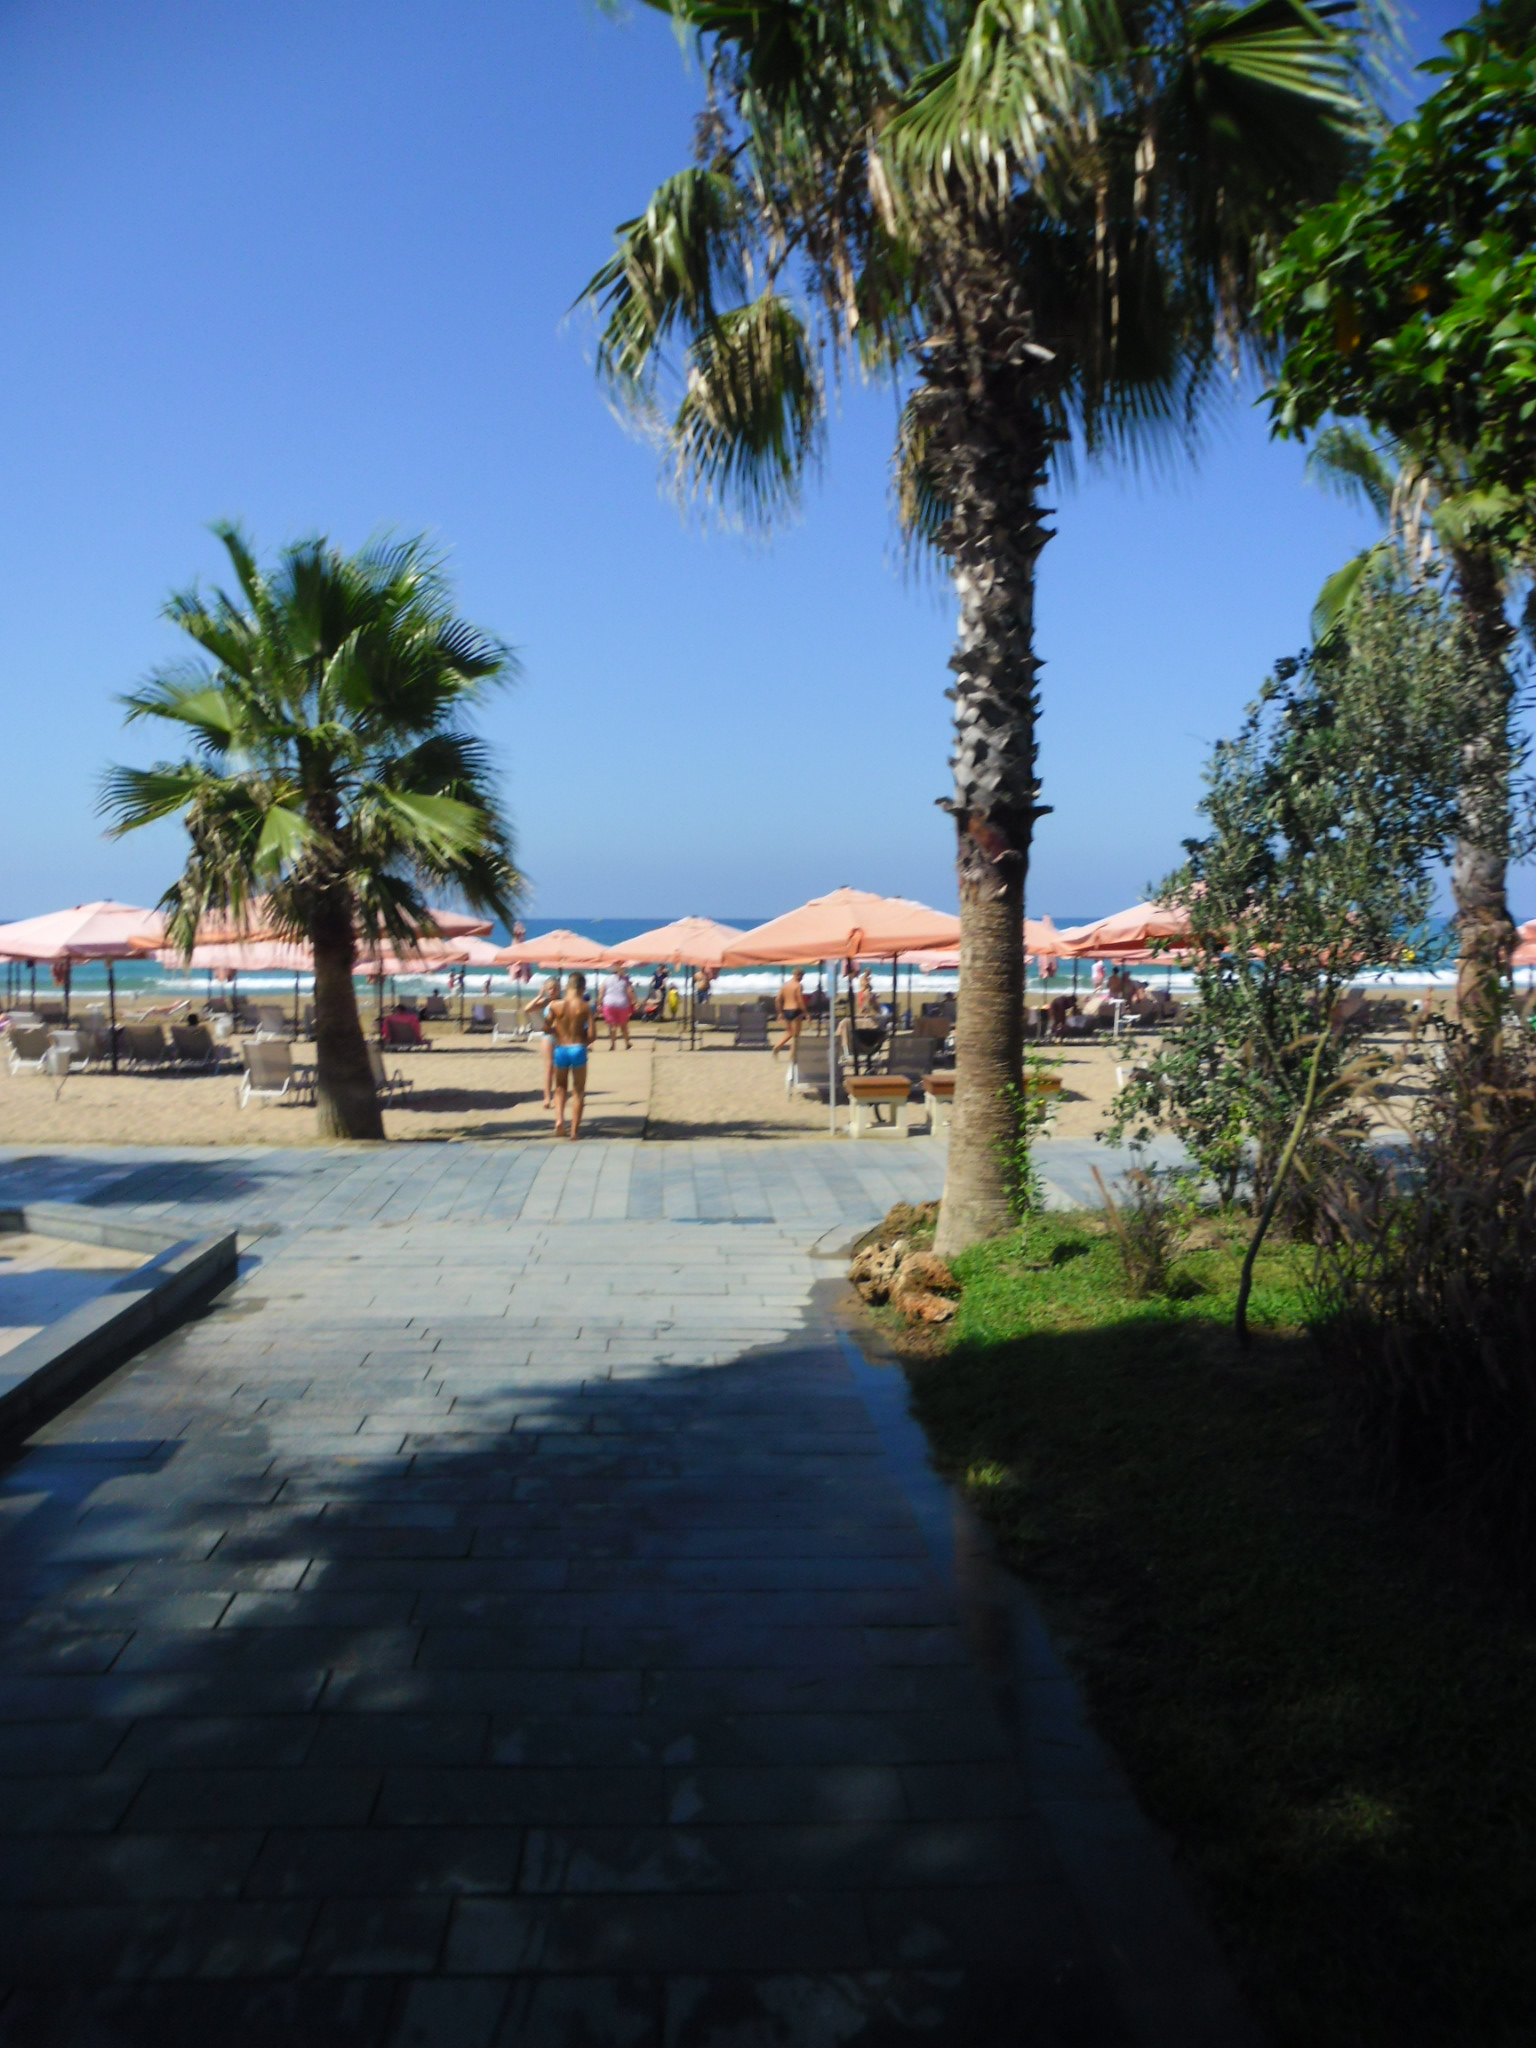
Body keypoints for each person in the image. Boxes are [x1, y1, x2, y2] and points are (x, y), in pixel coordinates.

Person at [547, 972, 593, 1138]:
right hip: (578, 1048)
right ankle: (574, 1131)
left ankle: (559, 1120)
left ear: (567, 987)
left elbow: (545, 1028)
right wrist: (583, 1042)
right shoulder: (585, 1007)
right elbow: (593, 1035)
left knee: (560, 1087)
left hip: (561, 1049)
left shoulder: (555, 1005)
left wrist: (556, 1031)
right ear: (583, 989)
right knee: (578, 1090)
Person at [773, 967, 808, 1058]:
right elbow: (800, 1001)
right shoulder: (798, 985)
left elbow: (777, 1000)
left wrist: (780, 1013)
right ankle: (792, 1057)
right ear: (798, 975)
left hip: (786, 1011)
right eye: (801, 976)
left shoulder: (785, 985)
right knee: (796, 1036)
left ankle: (778, 1046)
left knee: (789, 1033)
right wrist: (806, 1013)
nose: (802, 978)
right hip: (795, 1011)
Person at [600, 967, 634, 1049]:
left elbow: (601, 992)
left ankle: (613, 1045)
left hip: (609, 1003)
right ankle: (627, 1043)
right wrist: (633, 1002)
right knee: (624, 1026)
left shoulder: (606, 980)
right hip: (622, 1004)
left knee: (612, 1026)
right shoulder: (624, 980)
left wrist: (599, 1003)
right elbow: (630, 992)